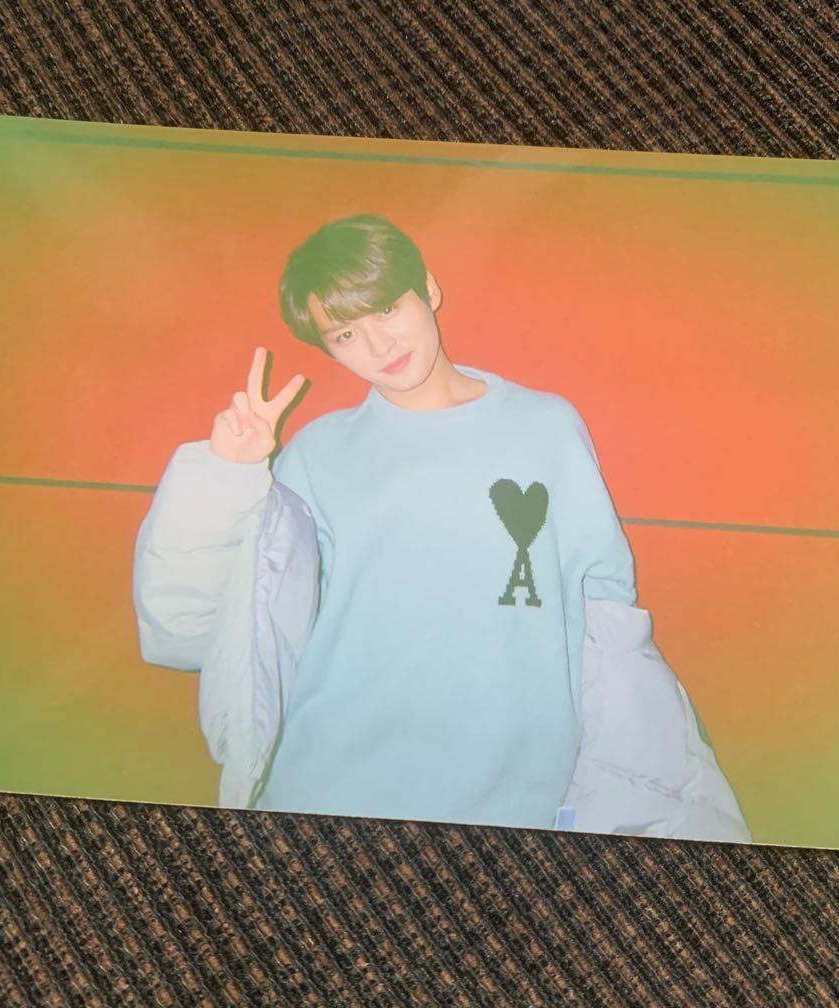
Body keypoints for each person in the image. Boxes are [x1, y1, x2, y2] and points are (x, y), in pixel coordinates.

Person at [134, 214, 751, 841]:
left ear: (427, 288)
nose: (379, 346)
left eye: (386, 309)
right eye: (346, 333)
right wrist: (228, 477)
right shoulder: (318, 454)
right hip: (329, 781)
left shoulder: (548, 427)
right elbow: (190, 632)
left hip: (511, 790)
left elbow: (606, 615)